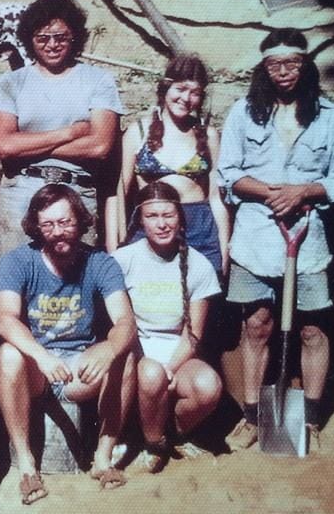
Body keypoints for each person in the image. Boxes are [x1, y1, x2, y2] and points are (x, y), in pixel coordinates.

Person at [217, 29, 334, 448]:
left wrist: (304, 191)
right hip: (256, 238)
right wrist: (271, 193)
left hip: (307, 238)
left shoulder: (329, 116)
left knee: (313, 330)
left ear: (305, 65)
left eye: (292, 63)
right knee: (257, 325)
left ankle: (308, 420)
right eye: (275, 64)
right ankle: (253, 417)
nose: (283, 72)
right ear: (264, 68)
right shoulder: (243, 113)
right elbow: (229, 173)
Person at [0, 184, 136, 500]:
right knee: (7, 355)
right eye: (47, 225)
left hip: (77, 368)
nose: (57, 232)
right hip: (37, 368)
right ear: (36, 227)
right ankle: (27, 464)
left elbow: (125, 322)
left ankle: (103, 458)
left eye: (65, 222)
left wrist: (109, 348)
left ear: (80, 220)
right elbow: (5, 319)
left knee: (124, 355)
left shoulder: (100, 262)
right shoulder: (19, 260)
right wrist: (41, 356)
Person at [0, 0, 123, 257]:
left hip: (77, 190)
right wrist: (71, 132)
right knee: (19, 274)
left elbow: (99, 146)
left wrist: (27, 144)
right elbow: (5, 146)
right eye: (42, 38)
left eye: (60, 37)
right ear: (29, 39)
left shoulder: (98, 81)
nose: (52, 45)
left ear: (74, 37)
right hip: (21, 192)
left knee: (73, 278)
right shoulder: (10, 83)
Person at [111, 182, 222, 472]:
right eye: (152, 216)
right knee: (151, 373)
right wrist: (147, 365)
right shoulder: (123, 260)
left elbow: (193, 335)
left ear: (180, 218)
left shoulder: (198, 265)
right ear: (140, 220)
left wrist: (171, 368)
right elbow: (118, 324)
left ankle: (175, 433)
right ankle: (154, 442)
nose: (161, 224)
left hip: (177, 354)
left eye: (168, 215)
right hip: (137, 355)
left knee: (208, 386)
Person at [106, 54, 229, 275]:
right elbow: (118, 194)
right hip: (151, 227)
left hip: (199, 230)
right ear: (165, 87)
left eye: (195, 93)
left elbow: (216, 198)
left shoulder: (208, 135)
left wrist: (223, 251)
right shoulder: (138, 132)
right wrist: (114, 247)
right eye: (180, 89)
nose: (186, 98)